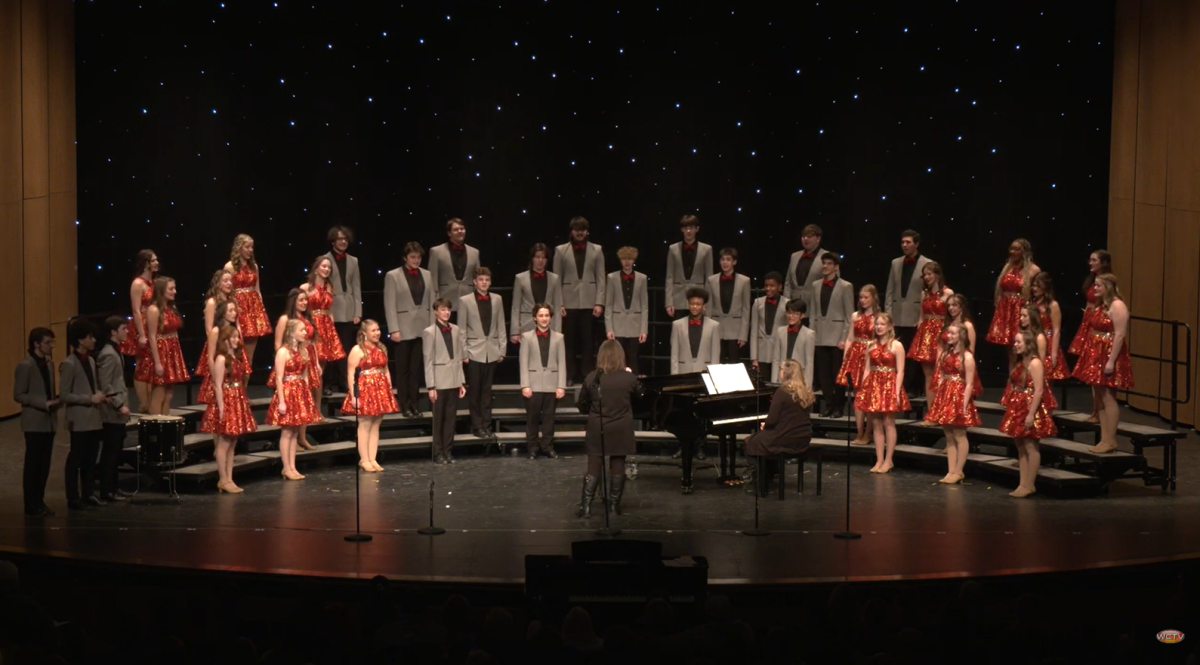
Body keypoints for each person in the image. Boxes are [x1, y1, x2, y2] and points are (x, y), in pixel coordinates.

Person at [576, 339, 640, 518]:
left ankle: (586, 506)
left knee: (594, 465)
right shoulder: (629, 378)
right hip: (621, 427)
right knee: (618, 464)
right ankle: (614, 506)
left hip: (598, 426)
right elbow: (640, 400)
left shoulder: (591, 377)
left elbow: (582, 405)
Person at [1071, 274, 1132, 455]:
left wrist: (1111, 361)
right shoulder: (1100, 305)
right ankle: (1104, 438)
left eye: (1098, 285)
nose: (1094, 288)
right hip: (1095, 352)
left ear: (1108, 286)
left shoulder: (1117, 305)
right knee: (1099, 397)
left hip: (1108, 353)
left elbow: (1120, 334)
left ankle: (1110, 439)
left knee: (1108, 397)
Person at [743, 359, 815, 497]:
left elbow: (773, 419)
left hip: (785, 437)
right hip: (802, 437)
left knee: (749, 442)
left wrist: (766, 425)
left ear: (786, 373)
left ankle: (761, 483)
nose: (780, 372)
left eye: (781, 369)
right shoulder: (805, 392)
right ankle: (768, 478)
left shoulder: (782, 392)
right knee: (762, 439)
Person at [200, 325, 257, 493]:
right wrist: (222, 407)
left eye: (236, 337)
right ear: (224, 340)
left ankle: (230, 478)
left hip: (237, 398)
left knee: (233, 442)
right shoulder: (221, 359)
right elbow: (217, 385)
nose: (236, 340)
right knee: (224, 442)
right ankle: (223, 479)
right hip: (226, 400)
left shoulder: (236, 357)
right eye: (232, 337)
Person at [1001, 331, 1056, 498]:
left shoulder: (1035, 363)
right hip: (1017, 405)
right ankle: (1022, 483)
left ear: (1028, 344)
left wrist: (1031, 414)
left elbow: (1039, 390)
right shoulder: (1019, 362)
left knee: (1031, 446)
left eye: (1018, 342)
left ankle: (1030, 484)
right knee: (1021, 447)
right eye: (1015, 342)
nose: (1015, 345)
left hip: (1030, 406)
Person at [384, 242, 434, 418]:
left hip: (423, 328)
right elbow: (389, 304)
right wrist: (394, 329)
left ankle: (415, 404)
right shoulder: (393, 276)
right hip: (403, 329)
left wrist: (432, 328)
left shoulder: (427, 275)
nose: (416, 260)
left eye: (419, 257)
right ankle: (404, 404)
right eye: (413, 257)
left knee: (416, 369)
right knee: (403, 369)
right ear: (405, 258)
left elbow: (431, 302)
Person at [60, 319, 107, 509]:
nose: (93, 340)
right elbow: (64, 394)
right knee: (76, 458)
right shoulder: (69, 363)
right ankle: (73, 497)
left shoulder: (91, 360)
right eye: (90, 337)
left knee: (91, 457)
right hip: (79, 419)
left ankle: (88, 493)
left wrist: (101, 396)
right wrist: (89, 398)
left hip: (93, 419)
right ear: (80, 340)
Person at [266, 319, 320, 480]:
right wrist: (281, 401)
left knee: (295, 431)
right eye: (302, 330)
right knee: (287, 431)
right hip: (288, 392)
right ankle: (286, 467)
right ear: (291, 332)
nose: (305, 332)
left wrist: (307, 394)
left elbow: (304, 374)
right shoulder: (283, 352)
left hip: (299, 391)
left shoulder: (303, 350)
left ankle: (293, 466)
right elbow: (279, 378)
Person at [14, 327, 60, 517]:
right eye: (48, 342)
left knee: (44, 464)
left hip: (48, 421)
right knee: (33, 464)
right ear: (36, 344)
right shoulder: (26, 365)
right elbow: (19, 394)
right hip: (34, 421)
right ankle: (31, 504)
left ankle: (39, 501)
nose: (51, 346)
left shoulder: (48, 364)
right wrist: (44, 403)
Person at [554, 216, 606, 384]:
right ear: (572, 231)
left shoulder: (597, 250)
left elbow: (601, 278)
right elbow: (556, 279)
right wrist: (559, 303)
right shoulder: (561, 250)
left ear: (587, 232)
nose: (579, 233)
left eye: (582, 230)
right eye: (577, 230)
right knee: (568, 341)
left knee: (588, 342)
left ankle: (586, 376)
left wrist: (599, 302)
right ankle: (569, 375)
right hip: (568, 303)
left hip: (590, 303)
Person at [927, 323, 979, 484]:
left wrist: (964, 404)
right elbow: (942, 376)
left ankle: (959, 470)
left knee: (959, 434)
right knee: (949, 435)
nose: (949, 336)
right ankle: (950, 470)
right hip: (946, 395)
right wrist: (939, 399)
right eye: (948, 333)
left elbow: (970, 383)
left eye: (953, 334)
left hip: (959, 395)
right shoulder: (945, 354)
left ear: (961, 336)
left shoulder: (967, 357)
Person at [343, 320, 398, 472]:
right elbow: (350, 373)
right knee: (365, 424)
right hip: (364, 389)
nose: (377, 333)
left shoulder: (381, 348)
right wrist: (354, 395)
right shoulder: (357, 350)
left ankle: (372, 458)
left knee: (376, 424)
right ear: (364, 333)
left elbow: (386, 370)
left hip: (380, 389)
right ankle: (364, 459)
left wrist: (389, 389)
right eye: (373, 330)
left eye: (378, 330)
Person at [859, 313, 910, 474]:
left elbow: (900, 371)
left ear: (889, 326)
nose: (879, 327)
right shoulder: (871, 345)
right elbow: (867, 368)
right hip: (874, 385)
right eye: (877, 324)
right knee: (876, 424)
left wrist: (895, 391)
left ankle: (889, 460)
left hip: (889, 385)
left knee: (889, 423)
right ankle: (879, 459)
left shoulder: (896, 346)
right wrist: (864, 389)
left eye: (882, 324)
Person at [459, 267, 506, 438]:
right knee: (475, 391)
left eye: (487, 279)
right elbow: (461, 329)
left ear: (490, 282)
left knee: (487, 391)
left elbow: (501, 325)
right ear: (475, 282)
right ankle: (477, 425)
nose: (484, 282)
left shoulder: (497, 299)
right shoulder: (465, 301)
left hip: (492, 351)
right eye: (481, 279)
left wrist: (502, 349)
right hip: (473, 352)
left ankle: (487, 425)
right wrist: (463, 353)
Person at [885, 230, 931, 396]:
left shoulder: (927, 263)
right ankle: (898, 386)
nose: (904, 245)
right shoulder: (895, 263)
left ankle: (912, 387)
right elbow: (890, 290)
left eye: (908, 242)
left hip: (915, 316)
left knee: (913, 354)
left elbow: (929, 293)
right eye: (903, 242)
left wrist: (923, 317)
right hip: (897, 315)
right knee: (897, 350)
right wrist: (888, 315)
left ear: (916, 244)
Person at [272, 288, 319, 450]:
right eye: (301, 300)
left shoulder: (307, 318)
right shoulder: (286, 319)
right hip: (290, 361)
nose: (304, 303)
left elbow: (312, 342)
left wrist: (317, 363)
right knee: (292, 402)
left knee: (303, 401)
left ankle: (302, 437)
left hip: (306, 359)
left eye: (306, 300)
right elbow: (278, 343)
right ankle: (292, 438)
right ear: (293, 301)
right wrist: (286, 359)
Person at [1069, 249, 1113, 423]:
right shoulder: (1092, 280)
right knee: (1090, 368)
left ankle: (1098, 411)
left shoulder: (1107, 281)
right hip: (1088, 321)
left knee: (1096, 369)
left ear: (1104, 263)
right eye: (1091, 260)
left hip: (1097, 322)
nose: (1090, 263)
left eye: (1094, 260)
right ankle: (1095, 410)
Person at [906, 261, 953, 420]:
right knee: (928, 374)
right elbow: (921, 317)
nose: (926, 277)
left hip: (941, 333)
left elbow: (951, 316)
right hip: (926, 334)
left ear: (937, 275)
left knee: (941, 373)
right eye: (924, 275)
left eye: (929, 274)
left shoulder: (948, 293)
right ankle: (932, 411)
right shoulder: (924, 294)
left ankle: (942, 410)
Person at [808, 254, 853, 418]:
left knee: (837, 374)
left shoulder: (846, 286)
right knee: (823, 374)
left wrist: (844, 337)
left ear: (836, 267)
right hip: (820, 335)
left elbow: (849, 316)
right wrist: (812, 334)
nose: (825, 266)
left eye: (829, 264)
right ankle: (829, 405)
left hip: (837, 337)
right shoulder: (815, 285)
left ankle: (839, 407)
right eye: (823, 263)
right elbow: (813, 312)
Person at [519, 304, 566, 459]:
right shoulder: (526, 337)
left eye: (546, 315)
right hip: (533, 384)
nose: (544, 318)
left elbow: (562, 363)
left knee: (549, 418)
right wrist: (525, 385)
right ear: (535, 318)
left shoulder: (559, 338)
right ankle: (532, 447)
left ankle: (547, 446)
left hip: (552, 384)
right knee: (532, 418)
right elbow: (523, 362)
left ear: (550, 318)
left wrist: (561, 386)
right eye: (541, 315)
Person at [423, 299, 467, 464]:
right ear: (436, 311)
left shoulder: (455, 329)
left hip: (454, 381)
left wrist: (461, 382)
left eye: (448, 309)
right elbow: (427, 360)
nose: (446, 312)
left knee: (450, 419)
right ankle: (438, 452)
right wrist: (431, 386)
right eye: (443, 310)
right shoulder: (429, 332)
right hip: (439, 382)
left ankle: (448, 451)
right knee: (439, 420)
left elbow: (459, 358)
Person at [96, 316, 132, 502]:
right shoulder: (108, 354)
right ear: (113, 331)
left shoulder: (115, 351)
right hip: (112, 412)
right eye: (123, 328)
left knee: (116, 452)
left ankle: (114, 487)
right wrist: (119, 405)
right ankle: (106, 489)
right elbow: (105, 384)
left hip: (118, 412)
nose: (127, 331)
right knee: (110, 453)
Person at [838, 285, 879, 445]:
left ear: (874, 298)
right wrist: (846, 360)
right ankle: (859, 432)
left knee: (868, 397)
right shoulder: (855, 316)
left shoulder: (879, 317)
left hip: (871, 356)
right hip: (855, 356)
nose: (862, 300)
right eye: (860, 297)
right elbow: (849, 338)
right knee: (857, 398)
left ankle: (868, 433)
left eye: (866, 297)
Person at [143, 276, 189, 415]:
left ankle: (166, 424)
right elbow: (151, 336)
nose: (174, 291)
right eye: (171, 289)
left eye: (174, 288)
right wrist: (157, 363)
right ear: (161, 290)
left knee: (169, 395)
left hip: (173, 350)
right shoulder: (153, 309)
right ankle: (156, 427)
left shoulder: (171, 307)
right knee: (159, 394)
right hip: (161, 352)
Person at [302, 255, 347, 396]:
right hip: (312, 326)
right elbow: (301, 311)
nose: (327, 269)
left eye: (329, 267)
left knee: (322, 366)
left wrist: (331, 327)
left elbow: (330, 309)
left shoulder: (329, 286)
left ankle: (317, 402)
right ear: (316, 269)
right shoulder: (305, 287)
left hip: (326, 326)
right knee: (312, 365)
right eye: (324, 266)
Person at [324, 225, 362, 392]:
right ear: (333, 241)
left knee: (345, 347)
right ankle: (328, 383)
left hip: (348, 309)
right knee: (329, 348)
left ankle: (343, 381)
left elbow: (357, 287)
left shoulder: (353, 261)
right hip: (330, 310)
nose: (343, 242)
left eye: (346, 239)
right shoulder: (324, 260)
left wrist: (357, 312)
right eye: (340, 239)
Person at [225, 234, 271, 369]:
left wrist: (260, 312)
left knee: (249, 357)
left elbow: (258, 290)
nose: (250, 250)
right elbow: (227, 291)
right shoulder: (230, 266)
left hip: (253, 310)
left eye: (252, 247)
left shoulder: (254, 266)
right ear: (239, 248)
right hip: (238, 310)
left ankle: (243, 389)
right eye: (247, 247)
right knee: (236, 352)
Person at [119, 249, 158, 410]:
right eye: (154, 260)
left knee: (151, 363)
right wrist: (142, 334)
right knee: (142, 364)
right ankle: (144, 402)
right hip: (141, 324)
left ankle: (151, 401)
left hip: (153, 323)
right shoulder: (137, 284)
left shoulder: (155, 282)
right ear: (146, 263)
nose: (157, 263)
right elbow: (135, 310)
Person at [986, 238, 1040, 347]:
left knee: (1020, 343)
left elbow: (1037, 293)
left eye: (1016, 249)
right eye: (1011, 249)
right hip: (1005, 308)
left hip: (1020, 310)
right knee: (1008, 347)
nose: (1012, 252)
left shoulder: (1033, 270)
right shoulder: (1007, 267)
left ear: (1024, 252)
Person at [604, 247, 648, 376]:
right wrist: (609, 328)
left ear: (634, 260)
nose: (627, 262)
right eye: (624, 259)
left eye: (629, 259)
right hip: (617, 325)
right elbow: (609, 305)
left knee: (633, 357)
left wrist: (643, 330)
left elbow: (644, 306)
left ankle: (634, 384)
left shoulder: (642, 278)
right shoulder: (612, 277)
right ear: (620, 260)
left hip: (635, 324)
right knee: (617, 357)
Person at [194, 270, 234, 402]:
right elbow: (208, 329)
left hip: (232, 343)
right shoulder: (212, 302)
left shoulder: (232, 300)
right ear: (218, 283)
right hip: (218, 345)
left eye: (230, 280)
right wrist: (220, 347)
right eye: (225, 280)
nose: (229, 283)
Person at [705, 248, 751, 363]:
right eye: (722, 259)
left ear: (734, 262)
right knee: (716, 361)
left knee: (734, 364)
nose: (724, 262)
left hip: (735, 329)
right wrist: (707, 330)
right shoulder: (711, 280)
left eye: (728, 259)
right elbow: (709, 307)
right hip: (716, 327)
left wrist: (743, 334)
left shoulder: (744, 281)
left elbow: (746, 309)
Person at [428, 218, 480, 318]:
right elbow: (432, 280)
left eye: (462, 229)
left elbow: (477, 279)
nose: (460, 231)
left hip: (468, 303)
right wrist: (435, 304)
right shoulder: (436, 251)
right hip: (445, 304)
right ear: (449, 233)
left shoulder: (474, 252)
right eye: (456, 229)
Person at [511, 243, 563, 341]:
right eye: (537, 257)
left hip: (549, 327)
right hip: (527, 326)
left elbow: (557, 307)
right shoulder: (520, 278)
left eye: (543, 258)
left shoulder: (554, 279)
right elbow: (515, 307)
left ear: (547, 260)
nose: (540, 260)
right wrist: (514, 331)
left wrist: (558, 331)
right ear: (532, 258)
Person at [665, 214, 713, 318]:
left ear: (697, 229)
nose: (688, 231)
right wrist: (669, 302)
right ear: (682, 229)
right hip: (678, 299)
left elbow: (709, 278)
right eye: (686, 228)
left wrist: (707, 302)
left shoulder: (706, 249)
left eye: (691, 228)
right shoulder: (673, 249)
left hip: (698, 298)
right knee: (679, 331)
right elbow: (669, 276)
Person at [197, 300, 244, 405]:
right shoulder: (216, 331)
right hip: (218, 372)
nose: (234, 313)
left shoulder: (233, 329)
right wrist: (214, 378)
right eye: (230, 311)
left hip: (231, 372)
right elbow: (210, 356)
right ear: (223, 313)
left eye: (235, 310)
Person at [670, 287, 722, 374]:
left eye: (698, 304)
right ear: (688, 304)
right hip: (683, 372)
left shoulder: (714, 326)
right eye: (692, 303)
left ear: (704, 305)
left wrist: (714, 375)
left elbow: (715, 356)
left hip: (705, 373)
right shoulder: (677, 325)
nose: (694, 307)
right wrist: (674, 377)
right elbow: (674, 355)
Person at [750, 271, 789, 384]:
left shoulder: (787, 304)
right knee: (763, 384)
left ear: (780, 287)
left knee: (778, 383)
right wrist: (754, 358)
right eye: (766, 286)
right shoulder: (758, 303)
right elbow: (754, 331)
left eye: (772, 286)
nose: (768, 288)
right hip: (761, 351)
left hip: (778, 351)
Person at [783, 224, 834, 305]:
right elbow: (788, 282)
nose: (805, 239)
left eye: (809, 236)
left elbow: (832, 284)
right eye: (803, 236)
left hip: (816, 305)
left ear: (818, 239)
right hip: (794, 306)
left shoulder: (827, 256)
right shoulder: (794, 256)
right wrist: (786, 301)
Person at [1032, 273, 1069, 383]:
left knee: (1045, 381)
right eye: (1033, 285)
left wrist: (1054, 354)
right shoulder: (1031, 302)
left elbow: (1056, 330)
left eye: (1038, 286)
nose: (1034, 289)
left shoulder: (1053, 305)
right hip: (1032, 340)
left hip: (1047, 344)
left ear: (1046, 287)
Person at [774, 300, 815, 389]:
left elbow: (809, 362)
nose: (791, 316)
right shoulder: (780, 331)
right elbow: (776, 359)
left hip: (799, 379)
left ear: (802, 315)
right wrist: (774, 382)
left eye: (795, 313)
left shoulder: (809, 334)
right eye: (789, 313)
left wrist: (808, 386)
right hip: (782, 377)